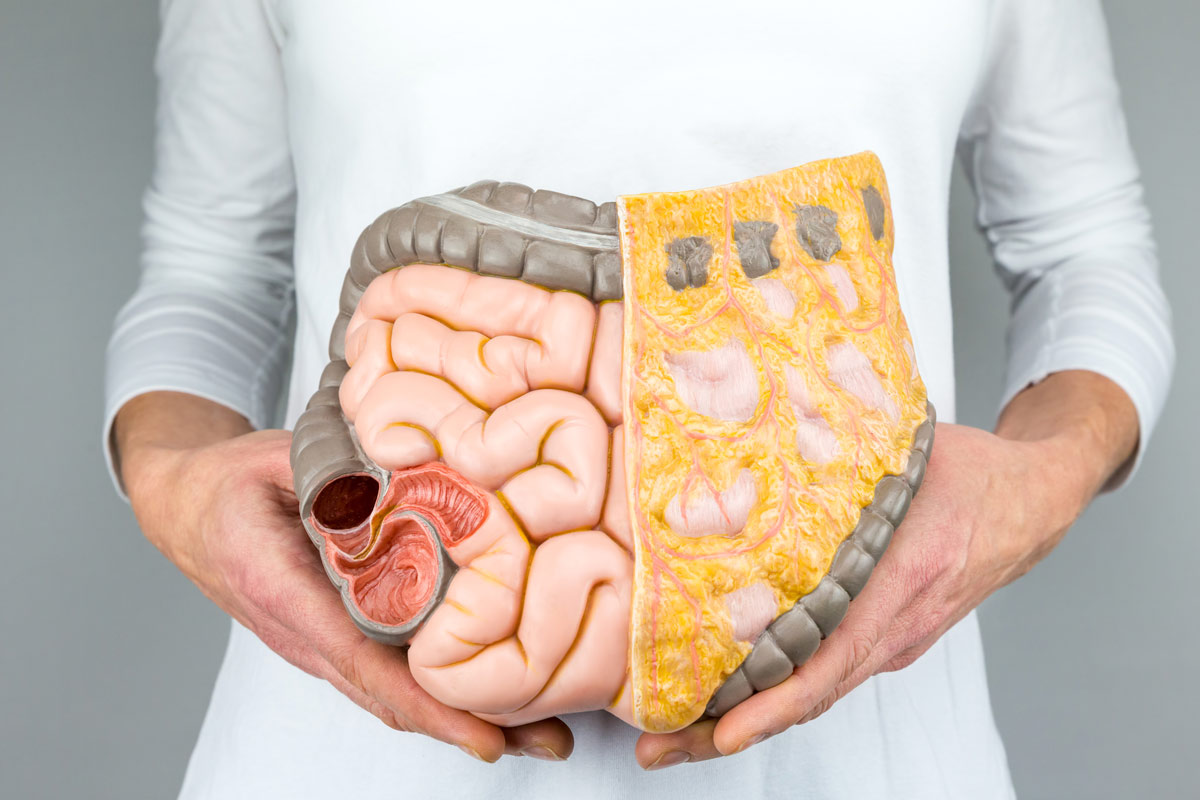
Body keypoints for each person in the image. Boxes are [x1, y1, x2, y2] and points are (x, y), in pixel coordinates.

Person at [104, 1, 1174, 797]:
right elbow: (208, 271)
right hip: (347, 756)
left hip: (867, 757)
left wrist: (1040, 476)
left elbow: (1086, 248)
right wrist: (173, 484)